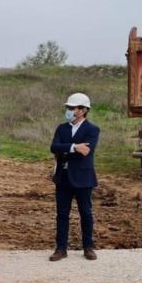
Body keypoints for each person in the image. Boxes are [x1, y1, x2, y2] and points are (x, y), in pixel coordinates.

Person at [49, 93, 100, 262]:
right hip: (63, 177)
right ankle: (61, 248)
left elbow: (86, 151)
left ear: (83, 110)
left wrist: (67, 149)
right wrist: (73, 147)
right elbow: (54, 147)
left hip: (83, 178)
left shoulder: (92, 130)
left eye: (72, 108)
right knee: (62, 214)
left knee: (85, 213)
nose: (69, 110)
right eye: (68, 108)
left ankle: (88, 247)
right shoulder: (61, 128)